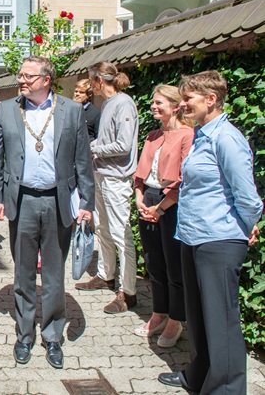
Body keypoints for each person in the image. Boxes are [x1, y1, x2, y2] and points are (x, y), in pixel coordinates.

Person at [0, 56, 94, 369]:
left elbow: (83, 162)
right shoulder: (8, 109)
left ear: (46, 79)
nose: (21, 80)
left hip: (58, 200)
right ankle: (24, 335)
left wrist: (86, 204)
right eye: (20, 75)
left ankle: (53, 336)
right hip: (22, 201)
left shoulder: (71, 111)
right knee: (22, 272)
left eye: (28, 76)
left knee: (53, 275)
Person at [158, 71, 262, 394]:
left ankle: (227, 388)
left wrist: (243, 228)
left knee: (221, 321)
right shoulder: (201, 134)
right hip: (193, 236)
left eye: (189, 99)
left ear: (211, 100)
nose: (183, 104)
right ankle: (200, 375)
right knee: (200, 318)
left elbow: (248, 198)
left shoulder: (227, 139)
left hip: (218, 240)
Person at [75, 61, 139, 315]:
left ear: (99, 80)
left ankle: (129, 292)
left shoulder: (123, 103)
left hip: (116, 177)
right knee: (101, 227)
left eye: (91, 80)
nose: (90, 85)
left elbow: (123, 145)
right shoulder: (109, 103)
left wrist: (94, 148)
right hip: (101, 173)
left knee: (121, 233)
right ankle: (106, 274)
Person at [132, 85, 193, 347]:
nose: (154, 107)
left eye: (159, 103)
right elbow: (140, 173)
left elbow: (185, 179)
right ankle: (158, 313)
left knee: (173, 266)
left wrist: (160, 208)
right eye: (153, 103)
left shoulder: (187, 135)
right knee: (153, 262)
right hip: (149, 199)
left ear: (176, 105)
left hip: (172, 204)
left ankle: (176, 320)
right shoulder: (153, 134)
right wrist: (139, 199)